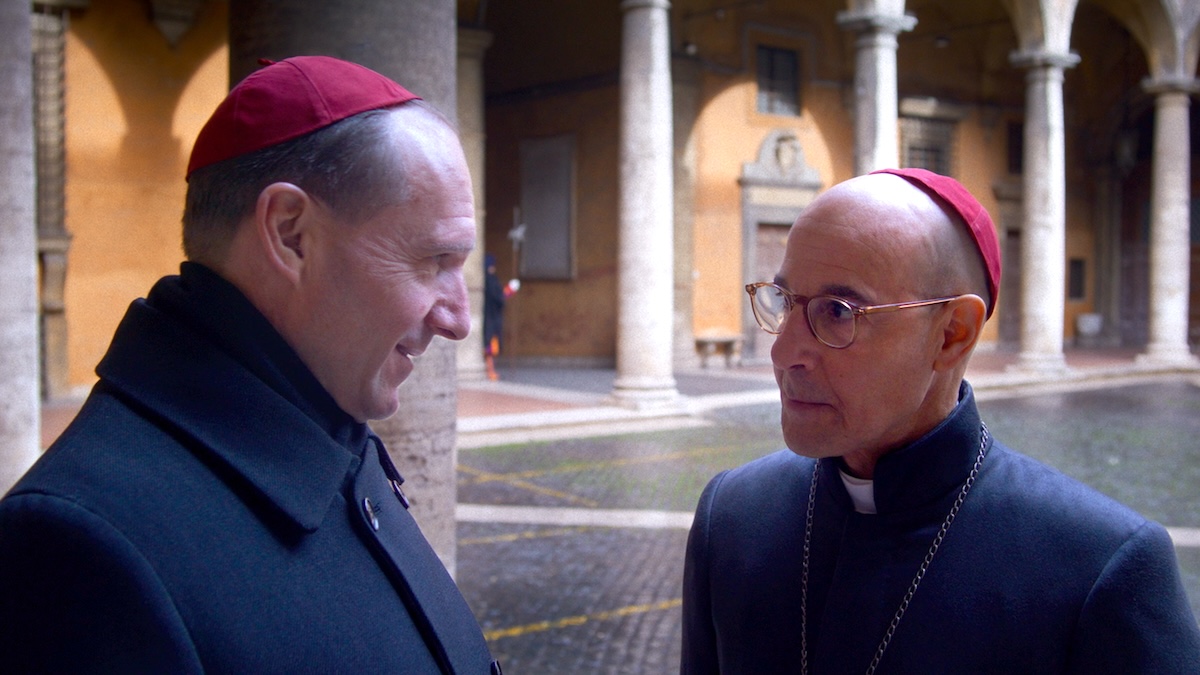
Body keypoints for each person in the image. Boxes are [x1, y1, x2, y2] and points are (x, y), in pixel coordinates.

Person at [0, 56, 501, 674]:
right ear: (290, 234)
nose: (458, 319)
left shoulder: (324, 420)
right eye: (432, 261)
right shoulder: (75, 549)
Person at [681, 168, 1200, 674]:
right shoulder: (731, 516)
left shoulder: (1103, 570)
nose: (784, 352)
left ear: (952, 334)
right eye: (783, 302)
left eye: (837, 311)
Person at [483, 253, 518, 381]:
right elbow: (500, 297)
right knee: (491, 346)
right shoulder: (491, 280)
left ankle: (490, 370)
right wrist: (510, 289)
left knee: (490, 345)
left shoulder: (485, 279)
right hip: (492, 318)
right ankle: (490, 370)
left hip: (489, 316)